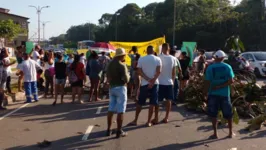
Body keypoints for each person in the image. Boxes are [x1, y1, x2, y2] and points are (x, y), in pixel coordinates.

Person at [204, 50, 235, 139]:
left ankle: (215, 134)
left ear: (215, 58)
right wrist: (222, 86)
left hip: (212, 93)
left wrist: (205, 92)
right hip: (225, 94)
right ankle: (230, 133)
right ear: (222, 58)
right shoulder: (228, 67)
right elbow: (231, 81)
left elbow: (207, 81)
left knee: (213, 114)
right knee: (228, 114)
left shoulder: (210, 68)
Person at [130, 46, 162, 127]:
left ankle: (135, 120)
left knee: (140, 102)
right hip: (155, 83)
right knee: (152, 103)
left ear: (146, 51)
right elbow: (159, 71)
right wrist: (153, 80)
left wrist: (147, 79)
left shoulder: (141, 59)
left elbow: (139, 71)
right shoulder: (158, 59)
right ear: (153, 50)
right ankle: (148, 121)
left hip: (144, 83)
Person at [106, 48, 130, 138]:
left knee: (111, 108)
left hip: (112, 88)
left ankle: (109, 129)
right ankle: (119, 131)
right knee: (121, 110)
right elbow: (126, 79)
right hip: (121, 88)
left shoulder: (110, 64)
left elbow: (108, 76)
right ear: (121, 55)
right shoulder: (122, 65)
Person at [154, 43, 177, 123]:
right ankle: (166, 117)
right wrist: (173, 82)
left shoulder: (158, 58)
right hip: (169, 82)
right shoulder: (173, 58)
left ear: (162, 49)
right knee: (169, 100)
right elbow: (174, 72)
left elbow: (156, 70)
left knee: (157, 101)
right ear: (169, 49)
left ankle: (156, 118)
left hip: (159, 82)